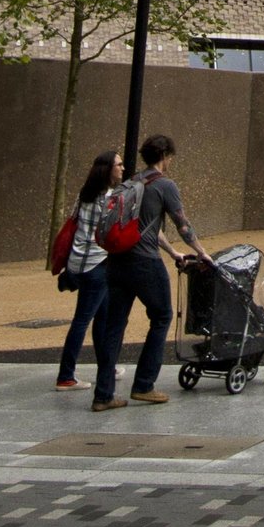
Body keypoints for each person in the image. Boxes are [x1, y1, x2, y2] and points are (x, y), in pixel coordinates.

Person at [90, 132, 208, 410]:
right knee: (162, 315)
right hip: (144, 263)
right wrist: (202, 253)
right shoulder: (165, 185)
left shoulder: (132, 183)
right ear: (166, 157)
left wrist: (171, 252)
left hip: (117, 261)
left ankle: (103, 395)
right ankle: (144, 384)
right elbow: (182, 225)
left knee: (114, 326)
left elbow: (146, 226)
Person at [52, 151, 121, 392]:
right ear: (108, 170)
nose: (122, 169)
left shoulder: (85, 194)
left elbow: (73, 222)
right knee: (83, 319)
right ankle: (65, 375)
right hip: (96, 264)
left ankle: (107, 366)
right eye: (118, 165)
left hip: (77, 262)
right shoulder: (110, 198)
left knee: (102, 315)